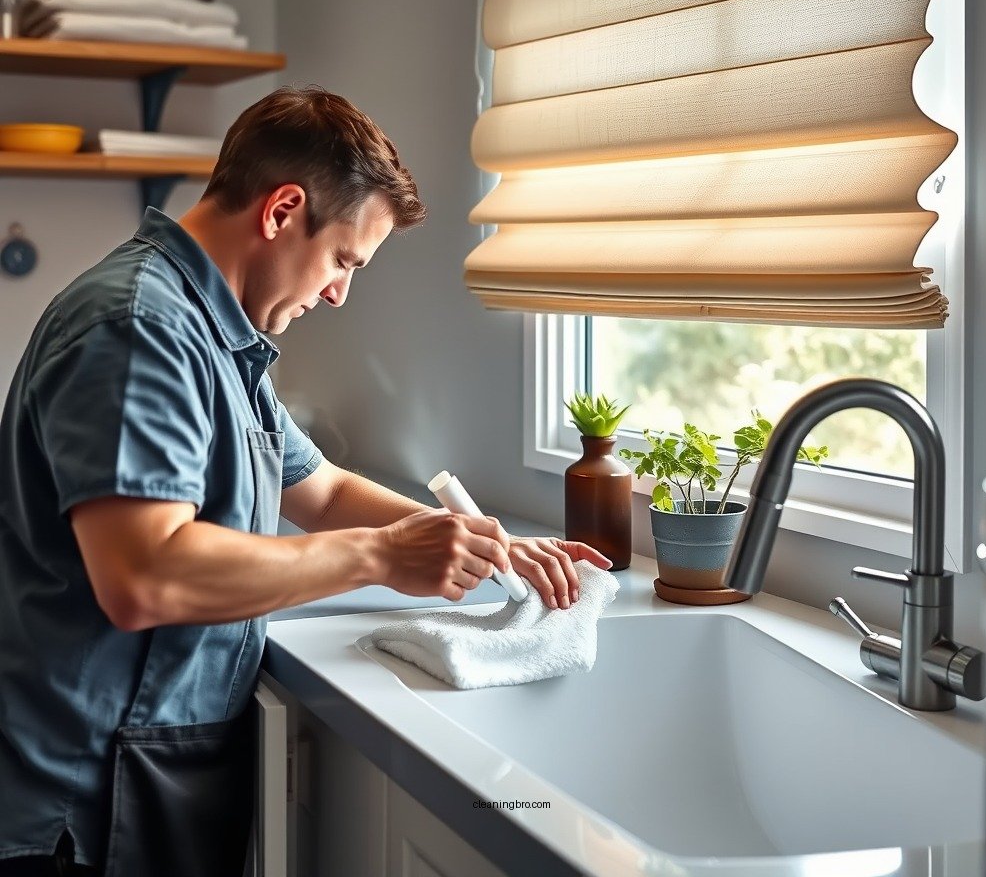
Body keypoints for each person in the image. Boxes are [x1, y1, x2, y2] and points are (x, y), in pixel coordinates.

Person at [0, 86, 613, 876]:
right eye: (343, 260)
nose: (338, 292)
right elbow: (144, 576)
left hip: (147, 771)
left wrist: (486, 543)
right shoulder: (140, 330)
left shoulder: (217, 329)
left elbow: (318, 488)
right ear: (282, 210)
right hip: (83, 807)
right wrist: (381, 557)